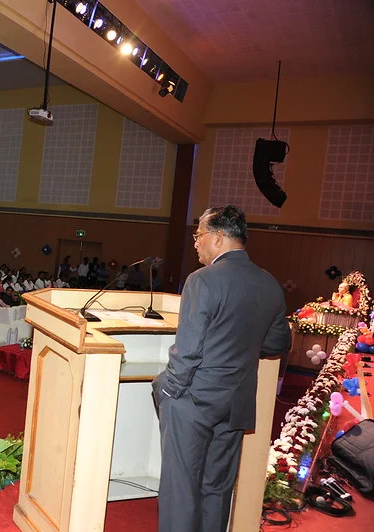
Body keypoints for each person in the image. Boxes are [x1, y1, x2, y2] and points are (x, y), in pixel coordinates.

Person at [151, 205, 291, 532]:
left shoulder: (202, 281)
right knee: (217, 488)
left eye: (198, 235)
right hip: (236, 403)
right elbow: (277, 344)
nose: (195, 243)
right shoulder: (269, 283)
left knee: (180, 491)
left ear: (217, 238)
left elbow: (187, 352)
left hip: (194, 401)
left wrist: (168, 390)